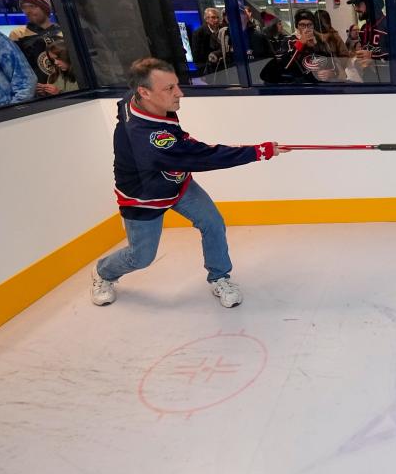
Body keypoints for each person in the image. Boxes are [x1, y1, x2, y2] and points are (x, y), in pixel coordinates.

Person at [91, 58, 285, 308]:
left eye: (176, 85)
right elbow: (203, 156)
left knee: (212, 223)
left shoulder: (133, 100)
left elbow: (122, 106)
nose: (179, 93)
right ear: (144, 92)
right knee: (141, 257)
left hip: (177, 183)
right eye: (169, 89)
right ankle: (103, 273)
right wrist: (259, 151)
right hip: (143, 197)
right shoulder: (149, 139)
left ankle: (219, 276)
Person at [260, 8, 349, 84]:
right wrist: (300, 43)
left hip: (320, 86)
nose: (306, 28)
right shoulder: (289, 40)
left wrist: (332, 73)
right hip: (298, 87)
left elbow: (333, 63)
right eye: (302, 25)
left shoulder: (320, 41)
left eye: (309, 24)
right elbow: (285, 65)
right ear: (297, 26)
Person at [8, 0, 64, 88]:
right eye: (24, 7)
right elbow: (15, 67)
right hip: (37, 91)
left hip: (67, 88)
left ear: (45, 8)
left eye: (32, 6)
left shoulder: (62, 32)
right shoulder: (18, 34)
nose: (28, 11)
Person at [346, 0, 394, 83]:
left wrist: (373, 57)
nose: (355, 8)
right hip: (369, 83)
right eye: (354, 5)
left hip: (389, 86)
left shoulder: (389, 26)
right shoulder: (364, 29)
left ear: (371, 4)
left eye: (358, 4)